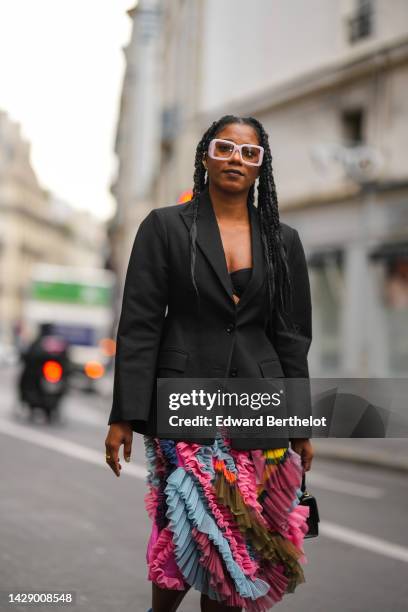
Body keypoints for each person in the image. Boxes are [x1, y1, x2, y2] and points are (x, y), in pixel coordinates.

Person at [105, 114, 314, 612]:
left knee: (236, 547)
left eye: (249, 153)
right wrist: (124, 415)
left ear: (261, 166)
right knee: (184, 529)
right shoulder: (164, 226)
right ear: (205, 156)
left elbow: (290, 337)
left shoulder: (283, 241)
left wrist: (301, 422)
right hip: (186, 401)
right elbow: (140, 325)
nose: (236, 159)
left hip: (259, 408)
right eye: (225, 148)